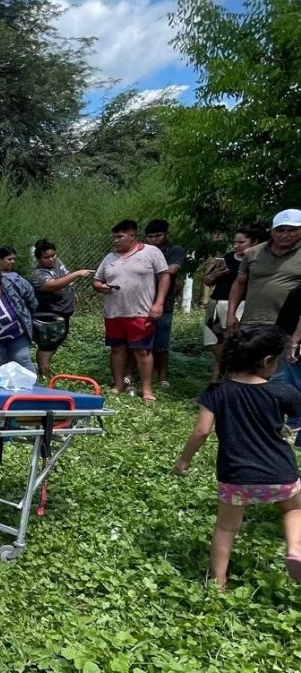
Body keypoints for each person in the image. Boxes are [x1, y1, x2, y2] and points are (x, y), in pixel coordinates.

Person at [173, 325, 301, 591]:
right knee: (293, 508)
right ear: (267, 362)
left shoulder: (217, 391)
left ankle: (217, 583)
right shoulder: (282, 392)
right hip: (281, 472)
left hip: (236, 476)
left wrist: (184, 461)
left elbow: (202, 430)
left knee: (226, 529)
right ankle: (295, 550)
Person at [92, 219, 170, 402]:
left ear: (132, 236)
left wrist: (158, 303)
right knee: (117, 349)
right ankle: (118, 385)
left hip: (141, 312)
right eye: (114, 237)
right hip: (114, 312)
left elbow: (164, 277)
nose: (116, 241)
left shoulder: (151, 252)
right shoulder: (109, 258)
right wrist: (99, 286)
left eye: (120, 237)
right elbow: (96, 280)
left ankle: (147, 389)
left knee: (142, 351)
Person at [227, 209, 301, 390]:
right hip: (251, 321)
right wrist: (231, 314)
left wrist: (297, 335)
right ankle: (243, 406)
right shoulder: (253, 253)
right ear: (272, 231)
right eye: (280, 230)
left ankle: (277, 413)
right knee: (244, 369)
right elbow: (239, 283)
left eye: (292, 230)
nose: (285, 235)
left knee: (280, 375)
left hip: (286, 326)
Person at [203, 226, 265, 383]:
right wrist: (215, 274)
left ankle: (231, 383)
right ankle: (216, 385)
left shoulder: (259, 260)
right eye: (235, 242)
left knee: (234, 346)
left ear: (254, 241)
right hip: (216, 304)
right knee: (215, 344)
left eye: (241, 242)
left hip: (240, 306)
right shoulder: (227, 258)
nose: (236, 246)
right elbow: (207, 281)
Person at [29, 239, 93, 379]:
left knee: (55, 344)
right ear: (39, 258)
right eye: (47, 257)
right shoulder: (38, 275)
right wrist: (77, 274)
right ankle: (44, 375)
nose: (52, 259)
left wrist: (73, 291)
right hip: (50, 315)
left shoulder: (57, 262)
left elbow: (64, 276)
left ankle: (44, 372)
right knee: (47, 347)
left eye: (53, 255)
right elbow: (54, 285)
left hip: (64, 313)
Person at [143, 220, 187, 389]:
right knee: (139, 342)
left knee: (161, 343)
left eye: (158, 235)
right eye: (150, 236)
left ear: (167, 234)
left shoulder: (174, 250)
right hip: (141, 301)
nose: (154, 239)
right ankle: (137, 374)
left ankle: (162, 377)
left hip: (164, 303)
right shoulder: (142, 250)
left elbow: (173, 269)